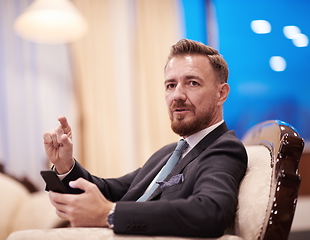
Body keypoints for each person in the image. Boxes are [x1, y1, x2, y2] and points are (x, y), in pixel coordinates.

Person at [43, 39, 248, 238]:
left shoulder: (223, 148)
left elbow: (210, 212)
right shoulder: (169, 153)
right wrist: (65, 166)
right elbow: (109, 191)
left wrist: (110, 214)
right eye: (170, 85)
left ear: (221, 94)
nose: (177, 95)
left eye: (192, 83)